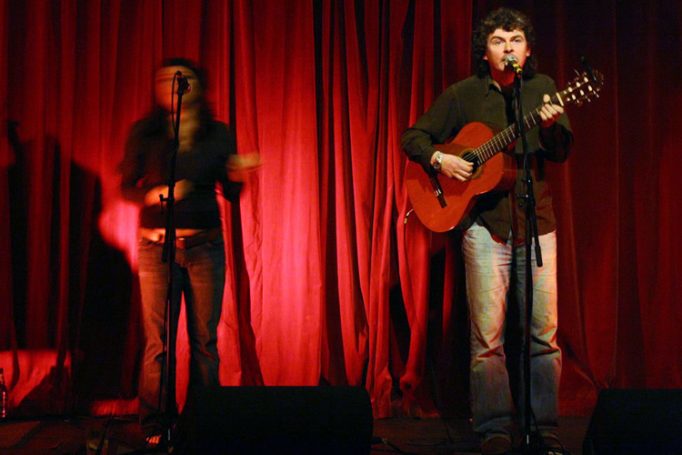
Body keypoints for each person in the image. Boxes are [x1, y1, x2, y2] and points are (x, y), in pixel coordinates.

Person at [401, 8, 572, 455]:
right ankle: (494, 429)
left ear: (528, 49)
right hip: (482, 227)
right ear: (485, 50)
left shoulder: (543, 89)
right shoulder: (463, 95)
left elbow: (560, 153)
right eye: (499, 40)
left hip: (538, 224)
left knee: (542, 333)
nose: (508, 48)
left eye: (516, 40)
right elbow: (413, 137)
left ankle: (545, 427)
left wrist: (552, 126)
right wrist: (442, 160)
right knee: (488, 338)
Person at [119, 58, 257, 447]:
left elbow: (230, 194)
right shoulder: (145, 133)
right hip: (157, 248)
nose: (173, 84)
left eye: (183, 78)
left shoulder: (217, 133)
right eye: (165, 78)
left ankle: (204, 421)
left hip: (205, 247)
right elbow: (126, 186)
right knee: (158, 343)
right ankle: (155, 426)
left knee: (204, 341)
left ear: (198, 86)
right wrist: (156, 194)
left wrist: (236, 178)